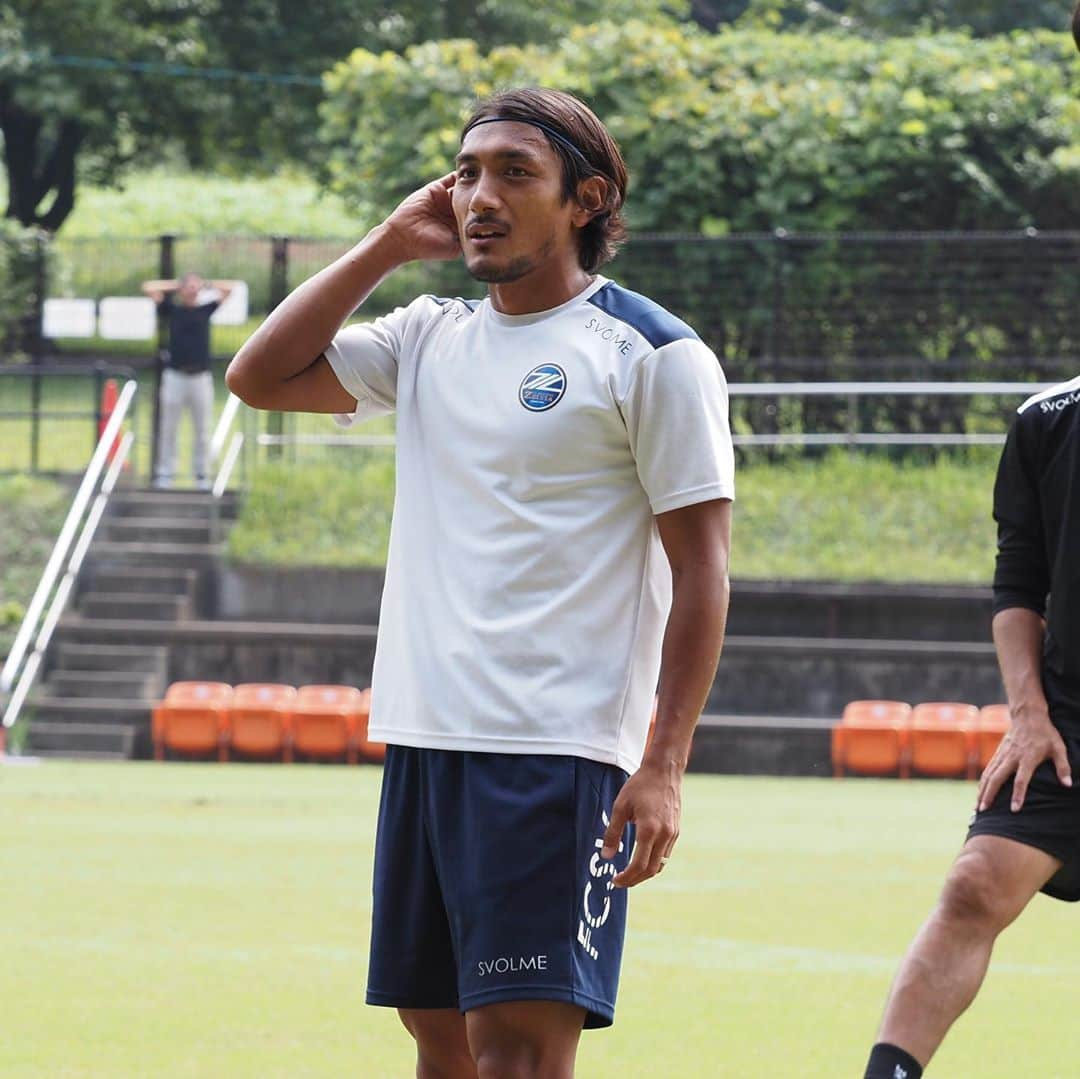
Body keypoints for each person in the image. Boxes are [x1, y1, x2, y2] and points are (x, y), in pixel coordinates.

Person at [227, 88, 733, 1077]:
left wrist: (663, 761)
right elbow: (259, 375)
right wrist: (382, 244)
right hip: (427, 737)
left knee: (519, 1048)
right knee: (440, 1034)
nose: (478, 197)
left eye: (514, 173)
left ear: (585, 199)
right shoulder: (427, 336)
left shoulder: (652, 354)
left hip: (558, 749)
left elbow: (703, 568)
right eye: (465, 173)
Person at [141, 272, 236, 489]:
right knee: (169, 427)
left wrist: (206, 284)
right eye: (189, 287)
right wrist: (177, 285)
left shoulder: (205, 310)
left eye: (195, 287)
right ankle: (165, 473)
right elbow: (148, 287)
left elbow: (230, 289)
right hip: (175, 376)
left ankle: (201, 474)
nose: (192, 291)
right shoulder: (172, 310)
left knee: (202, 429)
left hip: (200, 377)